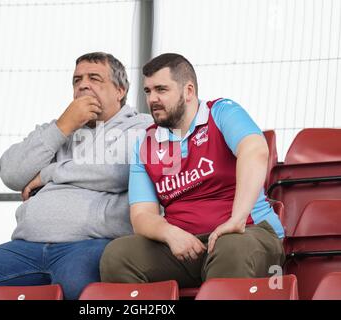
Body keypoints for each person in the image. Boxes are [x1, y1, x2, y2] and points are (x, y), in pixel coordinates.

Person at [0, 52, 153, 300]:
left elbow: (118, 171)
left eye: (94, 78)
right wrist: (62, 127)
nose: (83, 84)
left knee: (78, 288)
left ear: (120, 90)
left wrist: (47, 174)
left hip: (90, 244)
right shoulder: (56, 130)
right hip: (26, 247)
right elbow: (11, 173)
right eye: (77, 80)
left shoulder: (140, 127)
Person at [100, 53, 285, 288]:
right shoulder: (145, 143)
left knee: (231, 247)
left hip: (247, 233)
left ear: (188, 91)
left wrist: (236, 219)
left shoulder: (221, 112)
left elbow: (255, 151)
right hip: (186, 247)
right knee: (117, 255)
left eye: (161, 89)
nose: (153, 99)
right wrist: (170, 234)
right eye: (148, 91)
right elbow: (141, 216)